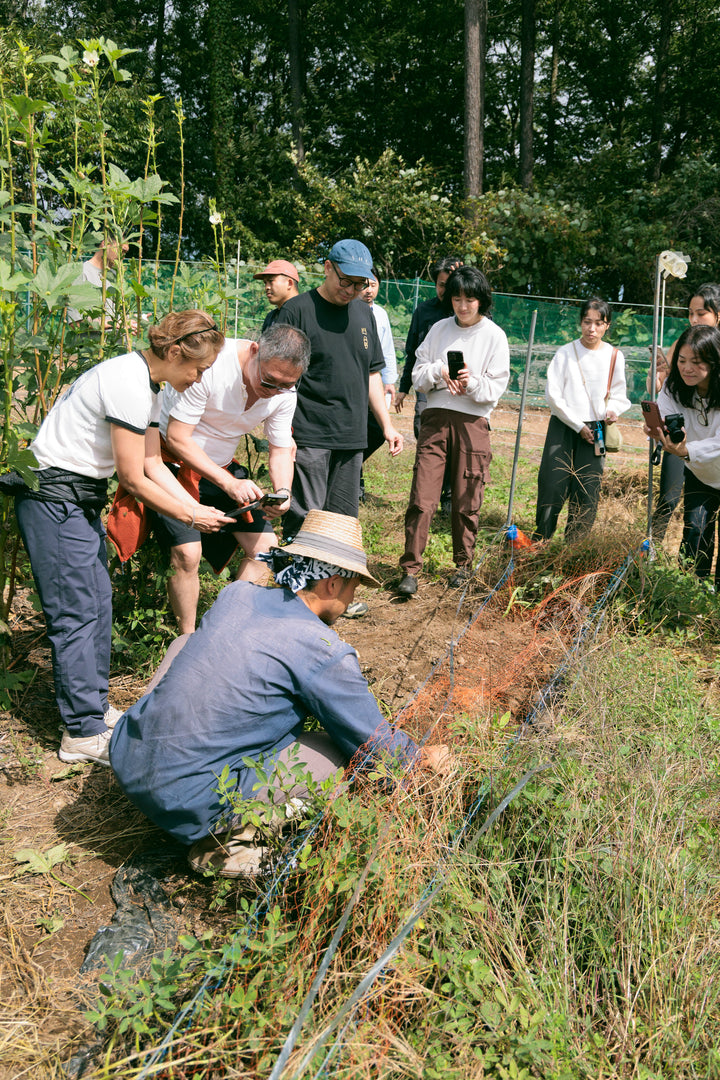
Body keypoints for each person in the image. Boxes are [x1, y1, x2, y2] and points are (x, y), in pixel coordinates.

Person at [110, 510, 450, 878]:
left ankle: (162, 763)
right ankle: (230, 842)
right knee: (339, 749)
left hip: (128, 761)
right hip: (191, 801)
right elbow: (372, 741)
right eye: (353, 587)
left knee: (185, 642)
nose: (352, 599)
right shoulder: (322, 648)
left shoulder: (237, 594)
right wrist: (421, 758)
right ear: (332, 584)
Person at [15, 311, 233, 766]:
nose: (198, 378)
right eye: (198, 368)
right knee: (75, 613)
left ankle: (93, 711)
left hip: (79, 499)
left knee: (97, 603)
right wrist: (188, 513)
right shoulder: (129, 384)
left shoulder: (146, 386)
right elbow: (133, 479)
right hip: (54, 499)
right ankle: (80, 732)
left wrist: (196, 510)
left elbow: (155, 464)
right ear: (174, 352)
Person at [157, 324, 310, 634]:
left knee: (266, 550)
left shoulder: (284, 391)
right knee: (188, 554)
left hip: (222, 468)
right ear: (254, 351)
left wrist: (282, 491)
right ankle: (187, 638)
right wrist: (228, 483)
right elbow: (177, 438)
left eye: (286, 384)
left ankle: (221, 629)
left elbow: (281, 449)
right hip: (171, 465)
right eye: (268, 380)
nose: (274, 390)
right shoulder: (211, 366)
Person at [397, 266, 510, 595]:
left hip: (472, 423)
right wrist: (439, 371)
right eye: (457, 298)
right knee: (422, 496)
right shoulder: (438, 330)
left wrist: (470, 381)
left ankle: (463, 565)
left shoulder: (494, 336)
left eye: (470, 299)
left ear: (481, 300)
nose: (462, 306)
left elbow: (494, 389)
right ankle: (409, 569)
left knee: (466, 498)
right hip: (435, 419)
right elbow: (419, 374)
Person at [533, 297, 631, 543]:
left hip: (596, 430)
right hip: (564, 426)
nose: (592, 329)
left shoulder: (614, 356)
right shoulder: (565, 353)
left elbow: (620, 395)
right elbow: (553, 395)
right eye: (587, 322)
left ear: (607, 325)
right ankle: (541, 540)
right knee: (552, 484)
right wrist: (578, 426)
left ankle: (574, 547)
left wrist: (613, 410)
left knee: (587, 491)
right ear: (580, 322)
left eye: (599, 323)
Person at [649, 283, 720, 541]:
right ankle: (655, 548)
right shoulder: (683, 346)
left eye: (701, 313)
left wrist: (688, 450)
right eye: (690, 312)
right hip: (696, 464)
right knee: (693, 527)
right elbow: (663, 389)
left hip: (701, 452)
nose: (693, 319)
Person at [654, 324, 720, 587]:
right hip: (701, 475)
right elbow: (664, 411)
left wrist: (686, 450)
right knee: (696, 533)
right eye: (681, 360)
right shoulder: (674, 387)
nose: (686, 368)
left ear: (714, 361)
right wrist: (657, 429)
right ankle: (688, 593)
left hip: (702, 460)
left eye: (696, 362)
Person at [359, 269, 398, 499]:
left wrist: (389, 380)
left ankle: (350, 468)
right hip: (353, 383)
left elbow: (388, 349)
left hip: (375, 382)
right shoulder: (348, 311)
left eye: (373, 285)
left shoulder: (381, 314)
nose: (369, 290)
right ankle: (355, 482)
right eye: (364, 285)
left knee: (374, 428)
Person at [66, 236, 133, 330]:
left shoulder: (115, 276)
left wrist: (135, 321)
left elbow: (120, 318)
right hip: (93, 343)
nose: (123, 256)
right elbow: (76, 323)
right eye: (122, 250)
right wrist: (115, 324)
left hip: (119, 343)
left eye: (125, 252)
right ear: (105, 244)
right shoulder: (81, 273)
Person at [253, 259, 300, 332]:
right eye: (265, 283)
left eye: (271, 281)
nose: (267, 287)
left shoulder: (304, 314)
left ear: (289, 283)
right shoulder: (271, 317)